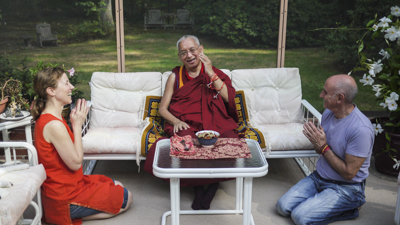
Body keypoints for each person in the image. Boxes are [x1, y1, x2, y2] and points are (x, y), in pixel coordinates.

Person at [143, 35, 239, 210]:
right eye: (183, 52)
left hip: (215, 122)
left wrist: (210, 72)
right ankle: (198, 189)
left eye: (192, 50)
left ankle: (213, 184)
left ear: (201, 49)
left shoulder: (215, 72)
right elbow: (163, 109)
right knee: (183, 148)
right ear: (179, 56)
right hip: (187, 124)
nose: (189, 55)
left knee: (230, 142)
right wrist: (176, 120)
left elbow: (228, 98)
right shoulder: (176, 76)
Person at [32, 67, 133, 225]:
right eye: (66, 83)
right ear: (51, 91)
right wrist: (77, 126)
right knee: (126, 198)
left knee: (116, 184)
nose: (71, 87)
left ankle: (68, 213)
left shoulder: (51, 117)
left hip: (73, 183)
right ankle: (65, 215)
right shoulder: (53, 124)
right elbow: (76, 163)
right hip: (65, 195)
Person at [275, 74, 374, 224]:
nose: (321, 95)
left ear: (340, 98)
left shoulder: (361, 129)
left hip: (346, 187)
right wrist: (317, 143)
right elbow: (321, 150)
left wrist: (323, 147)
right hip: (319, 177)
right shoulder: (328, 113)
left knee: (300, 217)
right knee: (282, 207)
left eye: (326, 92)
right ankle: (324, 200)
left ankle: (352, 205)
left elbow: (349, 173)